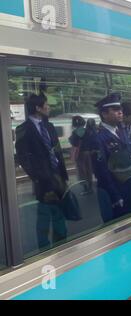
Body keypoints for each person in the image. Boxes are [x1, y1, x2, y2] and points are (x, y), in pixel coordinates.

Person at [15, 93, 69, 249]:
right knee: (44, 215)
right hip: (43, 180)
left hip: (58, 177)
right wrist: (39, 178)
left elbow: (57, 151)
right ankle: (44, 250)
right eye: (47, 105)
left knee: (59, 214)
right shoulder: (23, 129)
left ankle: (61, 246)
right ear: (38, 108)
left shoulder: (49, 126)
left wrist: (63, 176)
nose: (49, 108)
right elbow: (24, 158)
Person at [92, 93, 131, 222]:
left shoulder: (121, 130)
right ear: (104, 114)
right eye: (115, 110)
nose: (120, 112)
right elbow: (102, 171)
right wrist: (115, 196)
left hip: (130, 189)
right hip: (117, 193)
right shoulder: (98, 138)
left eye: (120, 109)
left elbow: (129, 150)